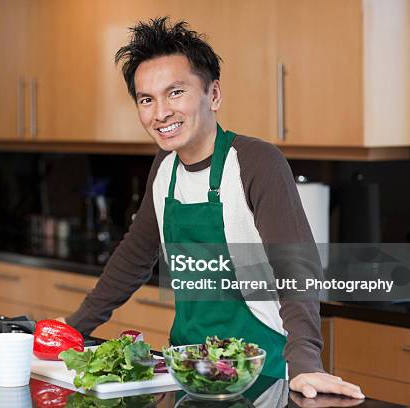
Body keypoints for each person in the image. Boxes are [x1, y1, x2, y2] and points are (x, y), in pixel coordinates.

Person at [59, 17, 364, 399]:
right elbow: (135, 255)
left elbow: (296, 266)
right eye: (146, 99)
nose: (160, 113)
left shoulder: (256, 162)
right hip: (187, 373)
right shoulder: (164, 167)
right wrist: (74, 328)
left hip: (262, 376)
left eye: (175, 93)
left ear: (214, 95)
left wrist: (304, 363)